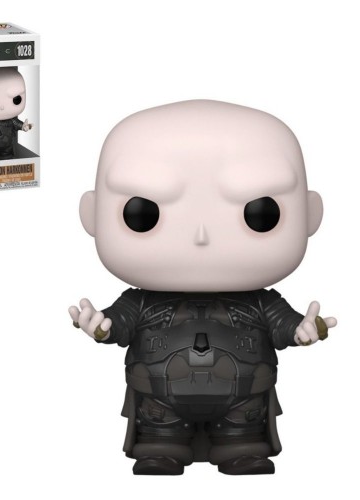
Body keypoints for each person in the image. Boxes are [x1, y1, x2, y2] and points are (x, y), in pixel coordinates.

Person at [69, 100, 337, 476]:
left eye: (260, 213)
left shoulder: (262, 302)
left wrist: (303, 330)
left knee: (243, 430)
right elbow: (118, 324)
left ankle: (241, 447)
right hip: (159, 401)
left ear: (311, 215)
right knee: (159, 430)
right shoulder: (139, 301)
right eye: (143, 213)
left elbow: (284, 325)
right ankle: (160, 447)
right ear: (91, 215)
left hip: (244, 398)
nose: (201, 236)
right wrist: (101, 326)